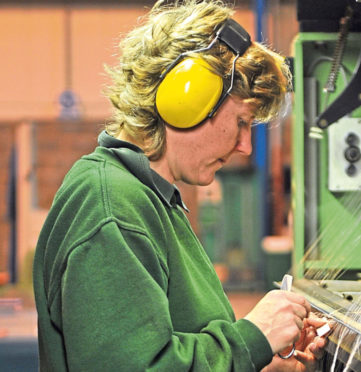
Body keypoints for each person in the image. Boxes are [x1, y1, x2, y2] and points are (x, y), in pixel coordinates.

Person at [32, 1, 330, 371]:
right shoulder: (110, 206)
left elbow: (169, 347)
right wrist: (253, 336)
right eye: (240, 122)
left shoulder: (152, 198)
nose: (245, 146)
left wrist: (256, 363)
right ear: (187, 98)